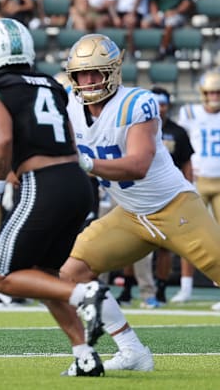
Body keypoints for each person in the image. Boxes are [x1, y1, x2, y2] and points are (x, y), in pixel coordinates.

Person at [62, 33, 220, 372]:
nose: (88, 81)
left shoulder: (137, 101)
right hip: (131, 215)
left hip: (175, 207)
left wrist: (84, 163)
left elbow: (138, 164)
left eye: (96, 72)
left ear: (113, 72)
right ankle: (132, 351)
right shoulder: (69, 107)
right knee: (71, 273)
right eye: (81, 74)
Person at [0, 18, 107, 376]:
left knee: (1, 276)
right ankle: (84, 356)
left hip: (43, 182)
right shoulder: (49, 83)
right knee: (44, 276)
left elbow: (1, 139)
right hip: (76, 181)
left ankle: (84, 295)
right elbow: (71, 140)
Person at [176, 69, 220, 306]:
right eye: (211, 92)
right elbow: (182, 147)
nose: (214, 96)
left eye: (218, 92)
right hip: (198, 181)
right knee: (189, 234)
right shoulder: (189, 112)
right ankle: (185, 287)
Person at [152, 86, 193, 304]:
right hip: (142, 191)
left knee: (164, 246)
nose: (160, 108)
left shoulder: (177, 132)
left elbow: (187, 162)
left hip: (169, 194)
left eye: (163, 103)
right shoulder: (137, 127)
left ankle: (160, 288)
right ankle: (129, 288)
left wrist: (188, 190)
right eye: (156, 103)